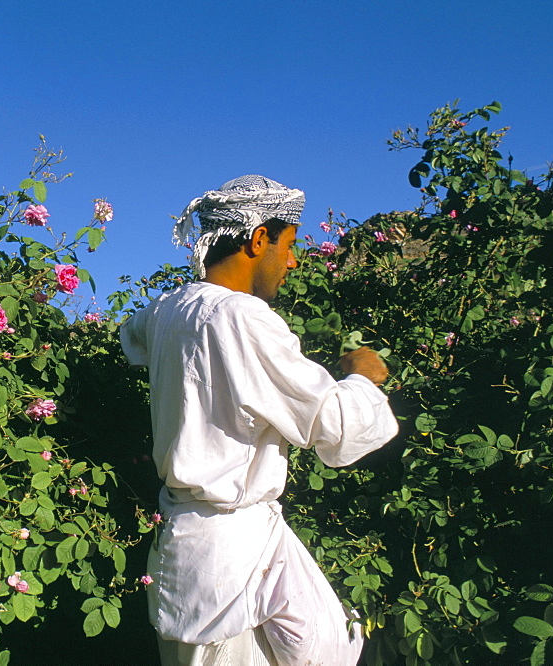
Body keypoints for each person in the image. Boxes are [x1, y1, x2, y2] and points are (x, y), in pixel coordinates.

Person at [120, 175, 398, 665]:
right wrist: (363, 378)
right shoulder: (243, 317)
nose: (292, 261)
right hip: (224, 556)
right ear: (256, 240)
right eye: (288, 244)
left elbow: (132, 338)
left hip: (209, 540)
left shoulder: (166, 308)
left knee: (328, 646)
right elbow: (331, 422)